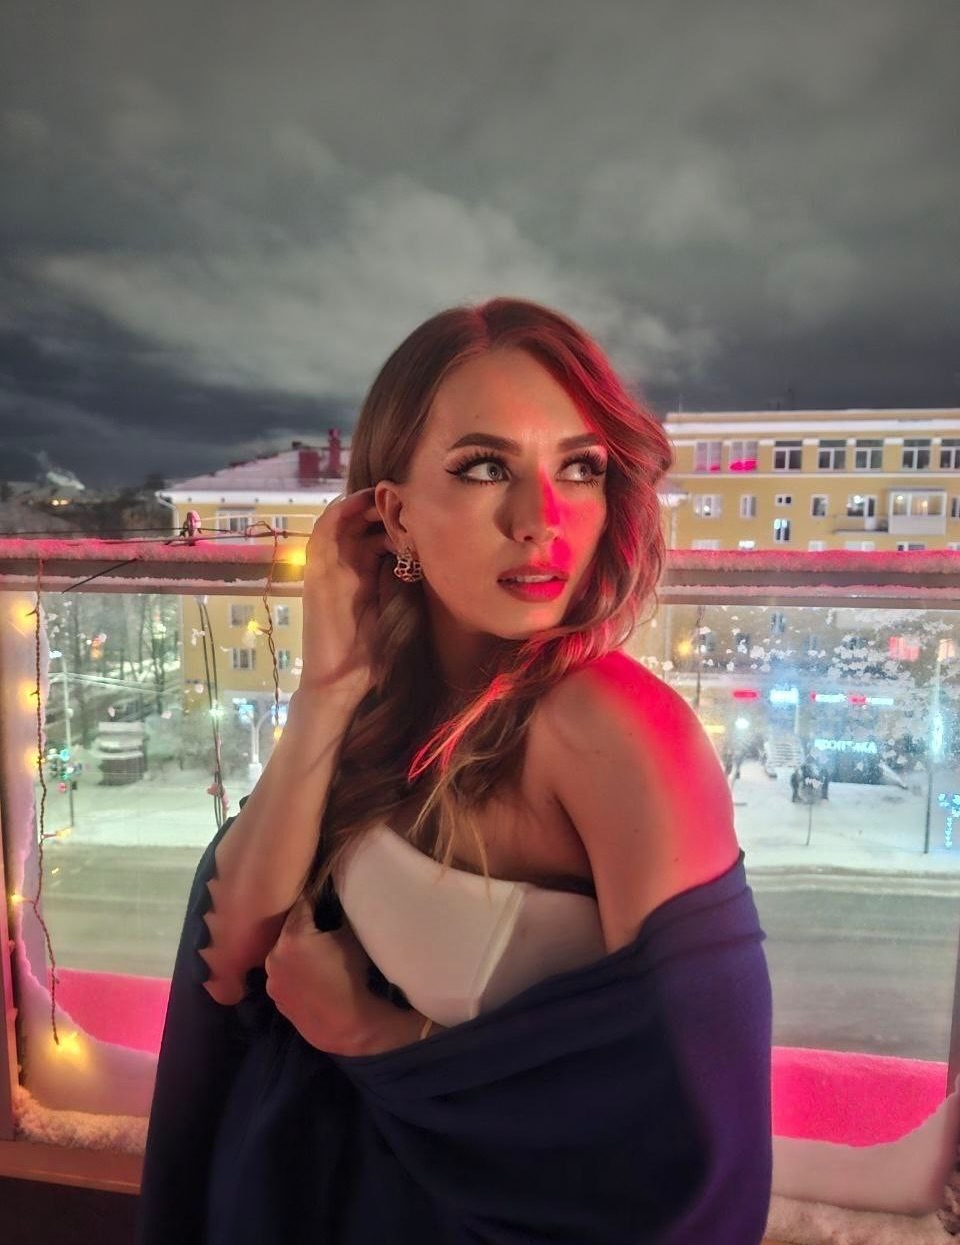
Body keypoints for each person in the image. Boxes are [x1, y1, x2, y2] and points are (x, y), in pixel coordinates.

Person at [138, 298, 773, 1243]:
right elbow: (230, 969)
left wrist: (375, 1035)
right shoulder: (378, 708)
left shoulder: (620, 730)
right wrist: (325, 690)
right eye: (485, 467)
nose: (541, 520)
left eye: (580, 466)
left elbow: (698, 1156)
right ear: (393, 515)